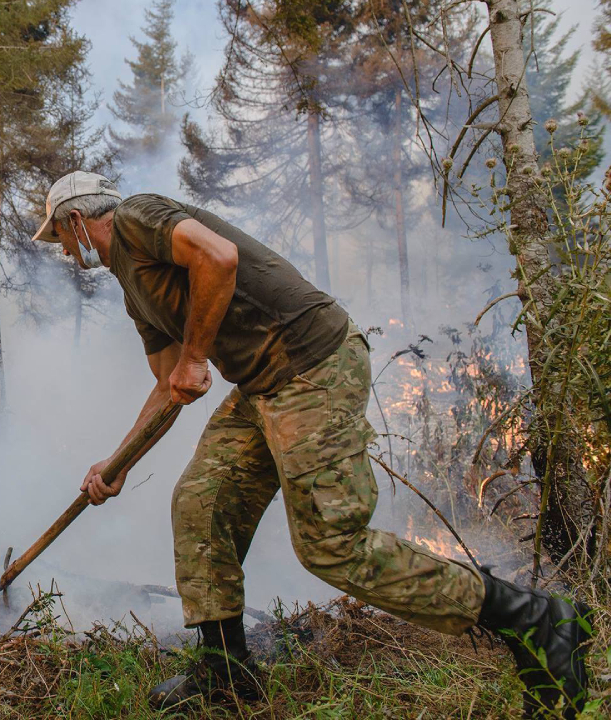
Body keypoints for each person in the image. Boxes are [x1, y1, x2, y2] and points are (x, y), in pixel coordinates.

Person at [31, 170, 591, 717]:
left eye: (60, 238)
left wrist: (198, 356)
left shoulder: (136, 217)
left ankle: (536, 619)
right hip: (261, 385)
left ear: (77, 220)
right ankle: (225, 672)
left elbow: (218, 258)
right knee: (201, 502)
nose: (64, 253)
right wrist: (118, 463)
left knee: (330, 544)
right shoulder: (135, 291)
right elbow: (167, 385)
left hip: (312, 362)